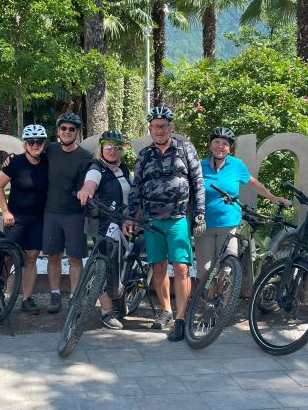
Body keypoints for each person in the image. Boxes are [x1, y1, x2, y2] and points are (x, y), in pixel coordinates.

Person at [123, 105, 205, 342]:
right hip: (151, 220)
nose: (159, 130)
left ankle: (181, 318)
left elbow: (197, 182)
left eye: (163, 126)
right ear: (149, 128)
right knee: (158, 267)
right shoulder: (145, 155)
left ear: (171, 127)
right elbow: (136, 187)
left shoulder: (185, 149)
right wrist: (131, 215)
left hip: (178, 218)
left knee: (181, 267)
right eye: (154, 126)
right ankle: (166, 311)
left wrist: (199, 212)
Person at [195, 127, 291, 287]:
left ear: (230, 148)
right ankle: (207, 302)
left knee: (227, 269)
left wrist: (273, 197)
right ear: (210, 145)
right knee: (205, 271)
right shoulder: (199, 166)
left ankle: (223, 306)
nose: (220, 146)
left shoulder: (236, 165)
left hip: (230, 225)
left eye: (225, 144)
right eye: (217, 142)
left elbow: (253, 182)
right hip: (205, 226)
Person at [77, 130, 132, 330]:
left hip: (126, 222)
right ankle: (107, 312)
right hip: (104, 225)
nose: (113, 151)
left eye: (117, 147)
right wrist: (86, 190)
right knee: (105, 266)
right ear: (101, 147)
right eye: (108, 146)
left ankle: (121, 296)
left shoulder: (124, 169)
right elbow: (90, 183)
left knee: (124, 262)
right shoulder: (97, 168)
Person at [0, 125, 49, 315]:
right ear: (25, 144)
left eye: (39, 142)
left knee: (32, 258)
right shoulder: (15, 162)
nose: (36, 145)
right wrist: (5, 211)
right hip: (15, 218)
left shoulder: (47, 161)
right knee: (7, 258)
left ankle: (27, 299)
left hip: (37, 218)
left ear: (44, 143)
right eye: (32, 142)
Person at [41, 112, 93, 313]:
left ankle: (75, 297)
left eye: (72, 129)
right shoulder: (51, 150)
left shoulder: (85, 156)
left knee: (74, 258)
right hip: (51, 212)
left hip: (74, 214)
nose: (67, 132)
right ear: (58, 131)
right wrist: (11, 159)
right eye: (63, 128)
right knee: (53, 256)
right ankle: (54, 294)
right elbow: (30, 158)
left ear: (77, 132)